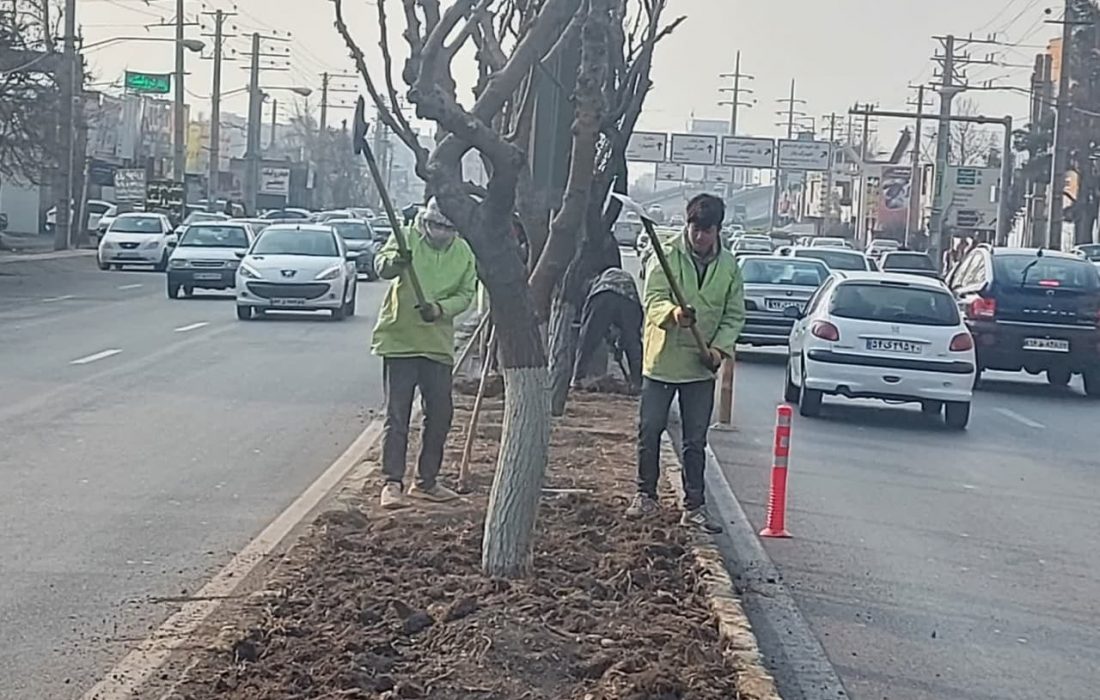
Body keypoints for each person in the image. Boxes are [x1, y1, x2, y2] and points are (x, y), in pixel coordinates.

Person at [628, 193, 745, 533]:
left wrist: (719, 350)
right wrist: (672, 313)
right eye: (694, 228)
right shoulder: (666, 256)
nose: (699, 236)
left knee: (695, 440)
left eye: (706, 230)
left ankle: (694, 506)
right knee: (650, 429)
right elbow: (652, 300)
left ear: (717, 230)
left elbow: (734, 315)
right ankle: (645, 496)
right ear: (687, 225)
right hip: (663, 361)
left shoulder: (729, 268)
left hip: (699, 366)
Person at [372, 197, 478, 510]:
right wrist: (396, 262)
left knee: (441, 413)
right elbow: (382, 266)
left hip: (437, 343)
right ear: (425, 221)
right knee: (398, 414)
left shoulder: (463, 253)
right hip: (400, 339)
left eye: (447, 228)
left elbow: (466, 294)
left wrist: (439, 310)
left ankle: (427, 481)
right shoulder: (404, 237)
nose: (440, 232)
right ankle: (392, 482)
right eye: (435, 225)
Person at [571, 266, 643, 392]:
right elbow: (627, 332)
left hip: (603, 295)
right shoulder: (620, 278)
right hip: (629, 300)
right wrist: (620, 348)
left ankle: (577, 378)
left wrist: (617, 349)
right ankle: (637, 382)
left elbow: (589, 327)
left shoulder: (594, 287)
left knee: (587, 340)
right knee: (633, 343)